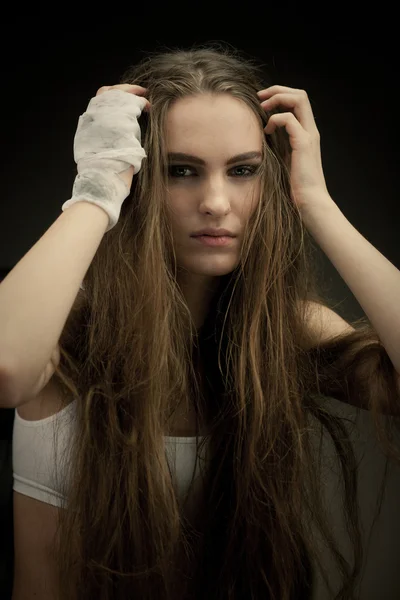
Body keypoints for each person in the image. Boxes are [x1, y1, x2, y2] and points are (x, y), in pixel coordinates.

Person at [1, 43, 399, 600]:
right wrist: (97, 188)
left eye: (243, 171)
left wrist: (317, 204)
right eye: (181, 171)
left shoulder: (287, 333)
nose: (215, 201)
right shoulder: (63, 329)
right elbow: (7, 367)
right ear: (138, 178)